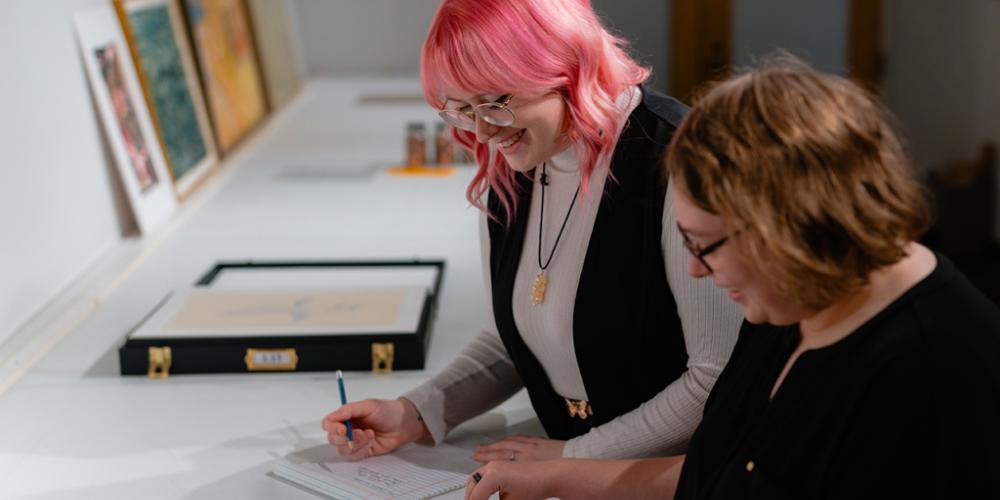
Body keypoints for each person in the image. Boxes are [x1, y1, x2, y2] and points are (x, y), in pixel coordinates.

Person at [461, 56, 1000, 499]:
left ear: (789, 222)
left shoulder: (932, 365)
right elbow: (718, 473)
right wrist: (556, 476)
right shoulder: (793, 304)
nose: (696, 269)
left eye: (706, 244)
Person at [322, 0, 742, 463]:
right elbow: (511, 339)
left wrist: (570, 461)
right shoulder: (516, 165)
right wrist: (415, 411)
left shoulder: (677, 161)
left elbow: (715, 379)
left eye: (496, 104)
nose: (481, 133)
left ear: (568, 70)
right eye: (460, 110)